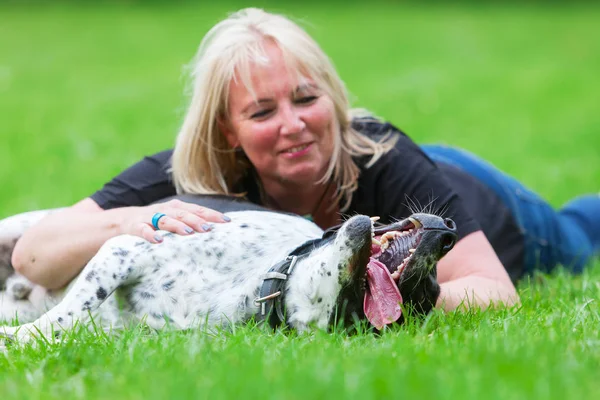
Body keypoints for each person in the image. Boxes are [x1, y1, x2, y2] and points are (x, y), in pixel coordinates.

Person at [10, 8, 599, 312]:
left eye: (307, 99)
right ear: (228, 131)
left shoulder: (386, 158)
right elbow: (36, 254)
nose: (293, 125)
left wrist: (387, 295)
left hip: (491, 206)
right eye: (262, 112)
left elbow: (495, 291)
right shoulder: (189, 172)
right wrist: (126, 221)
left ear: (332, 97)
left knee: (582, 230)